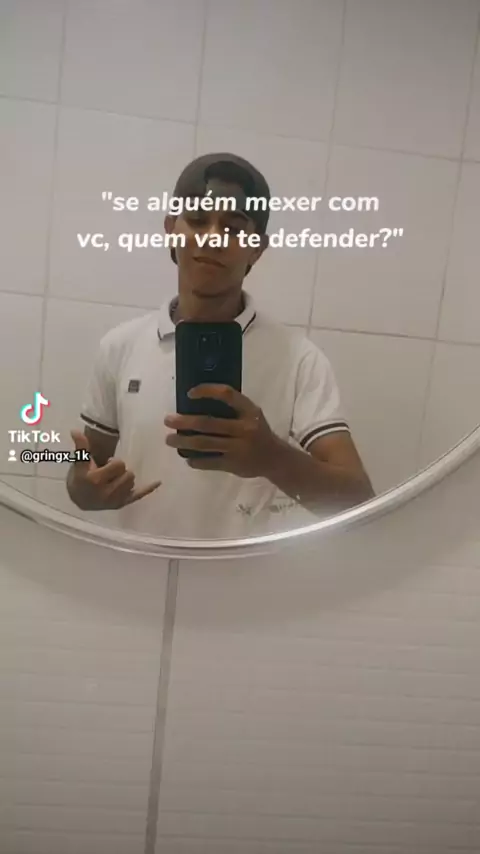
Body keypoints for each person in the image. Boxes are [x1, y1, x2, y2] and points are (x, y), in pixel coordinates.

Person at [67, 152, 374, 538]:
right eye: (197, 220)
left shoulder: (299, 360)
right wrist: (81, 488)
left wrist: (272, 457)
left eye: (233, 227)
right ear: (171, 229)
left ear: (257, 248)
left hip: (242, 573)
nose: (212, 237)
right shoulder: (120, 346)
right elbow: (86, 465)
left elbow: (358, 501)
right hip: (137, 567)